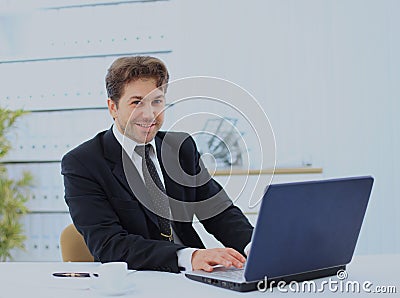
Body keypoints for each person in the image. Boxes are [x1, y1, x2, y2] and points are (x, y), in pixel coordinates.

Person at [61, 56, 253, 273]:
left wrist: (254, 247)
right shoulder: (83, 163)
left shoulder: (180, 147)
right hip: (139, 278)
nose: (150, 114)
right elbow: (108, 245)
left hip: (193, 276)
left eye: (157, 101)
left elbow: (218, 212)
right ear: (113, 107)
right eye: (136, 102)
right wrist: (189, 256)